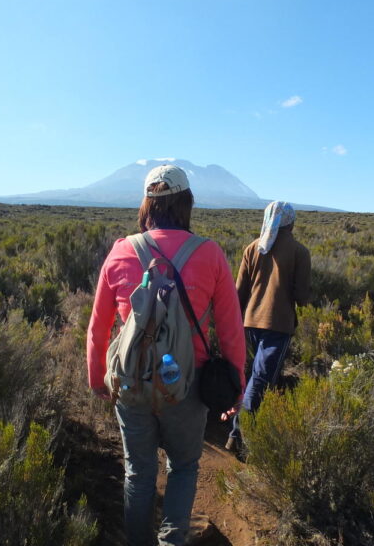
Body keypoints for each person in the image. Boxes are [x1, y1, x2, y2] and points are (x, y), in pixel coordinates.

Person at [87, 164, 246, 546]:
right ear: (186, 203)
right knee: (184, 467)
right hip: (188, 387)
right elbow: (230, 330)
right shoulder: (210, 254)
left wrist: (99, 381)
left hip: (131, 383)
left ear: (147, 204)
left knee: (138, 473)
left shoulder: (121, 251)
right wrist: (235, 389)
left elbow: (98, 328)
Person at [226, 200, 311, 451]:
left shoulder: (252, 248)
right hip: (278, 324)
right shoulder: (299, 252)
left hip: (250, 323)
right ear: (290, 223)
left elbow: (238, 292)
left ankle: (253, 431)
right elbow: (302, 297)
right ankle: (239, 436)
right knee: (261, 379)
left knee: (257, 376)